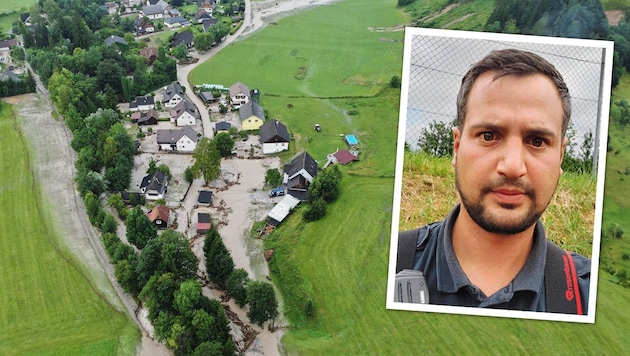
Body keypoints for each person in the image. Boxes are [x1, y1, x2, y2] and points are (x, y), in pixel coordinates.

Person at [396, 49, 590, 313]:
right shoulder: (385, 262)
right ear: (456, 147)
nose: (512, 167)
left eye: (537, 141)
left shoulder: (590, 296)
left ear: (560, 158)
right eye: (489, 135)